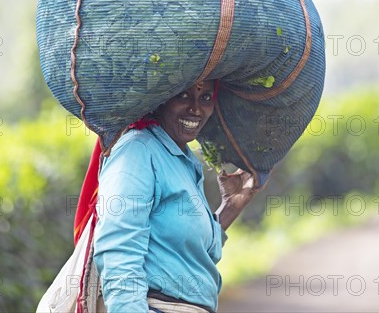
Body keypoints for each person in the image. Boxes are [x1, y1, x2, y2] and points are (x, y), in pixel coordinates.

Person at [93, 80, 259, 312]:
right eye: (182, 95)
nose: (196, 108)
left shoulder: (181, 159)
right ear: (160, 97)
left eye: (206, 98)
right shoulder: (138, 150)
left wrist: (229, 207)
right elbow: (119, 250)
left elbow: (191, 257)